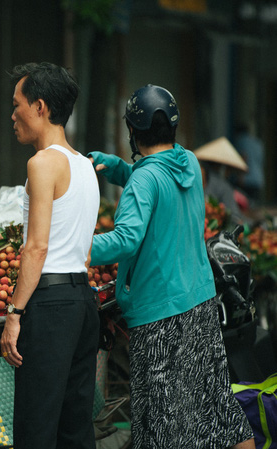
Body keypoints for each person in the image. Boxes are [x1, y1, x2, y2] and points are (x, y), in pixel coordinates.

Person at [88, 85, 254, 448]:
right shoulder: (189, 161)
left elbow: (126, 239)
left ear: (132, 131)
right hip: (201, 301)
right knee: (217, 403)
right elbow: (154, 176)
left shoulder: (143, 181)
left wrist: (77, 248)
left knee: (162, 420)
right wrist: (117, 167)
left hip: (160, 314)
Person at [0, 62, 100, 449]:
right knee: (75, 427)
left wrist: (15, 313)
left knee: (36, 425)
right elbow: (83, 246)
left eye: (17, 104)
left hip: (50, 304)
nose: (13, 115)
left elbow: (36, 247)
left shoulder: (42, 164)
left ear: (39, 106)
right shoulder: (85, 165)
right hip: (81, 301)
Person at [234, 123, 265, 204]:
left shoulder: (241, 140)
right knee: (254, 204)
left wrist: (240, 177)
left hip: (247, 180)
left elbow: (244, 158)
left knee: (245, 206)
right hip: (258, 179)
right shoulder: (258, 142)